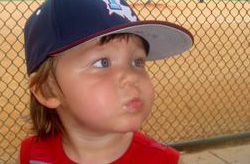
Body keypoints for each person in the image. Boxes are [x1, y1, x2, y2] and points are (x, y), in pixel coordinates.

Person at [19, 0, 193, 163]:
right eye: (103, 62)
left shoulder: (164, 161)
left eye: (137, 62)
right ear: (48, 90)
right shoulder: (33, 155)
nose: (132, 77)